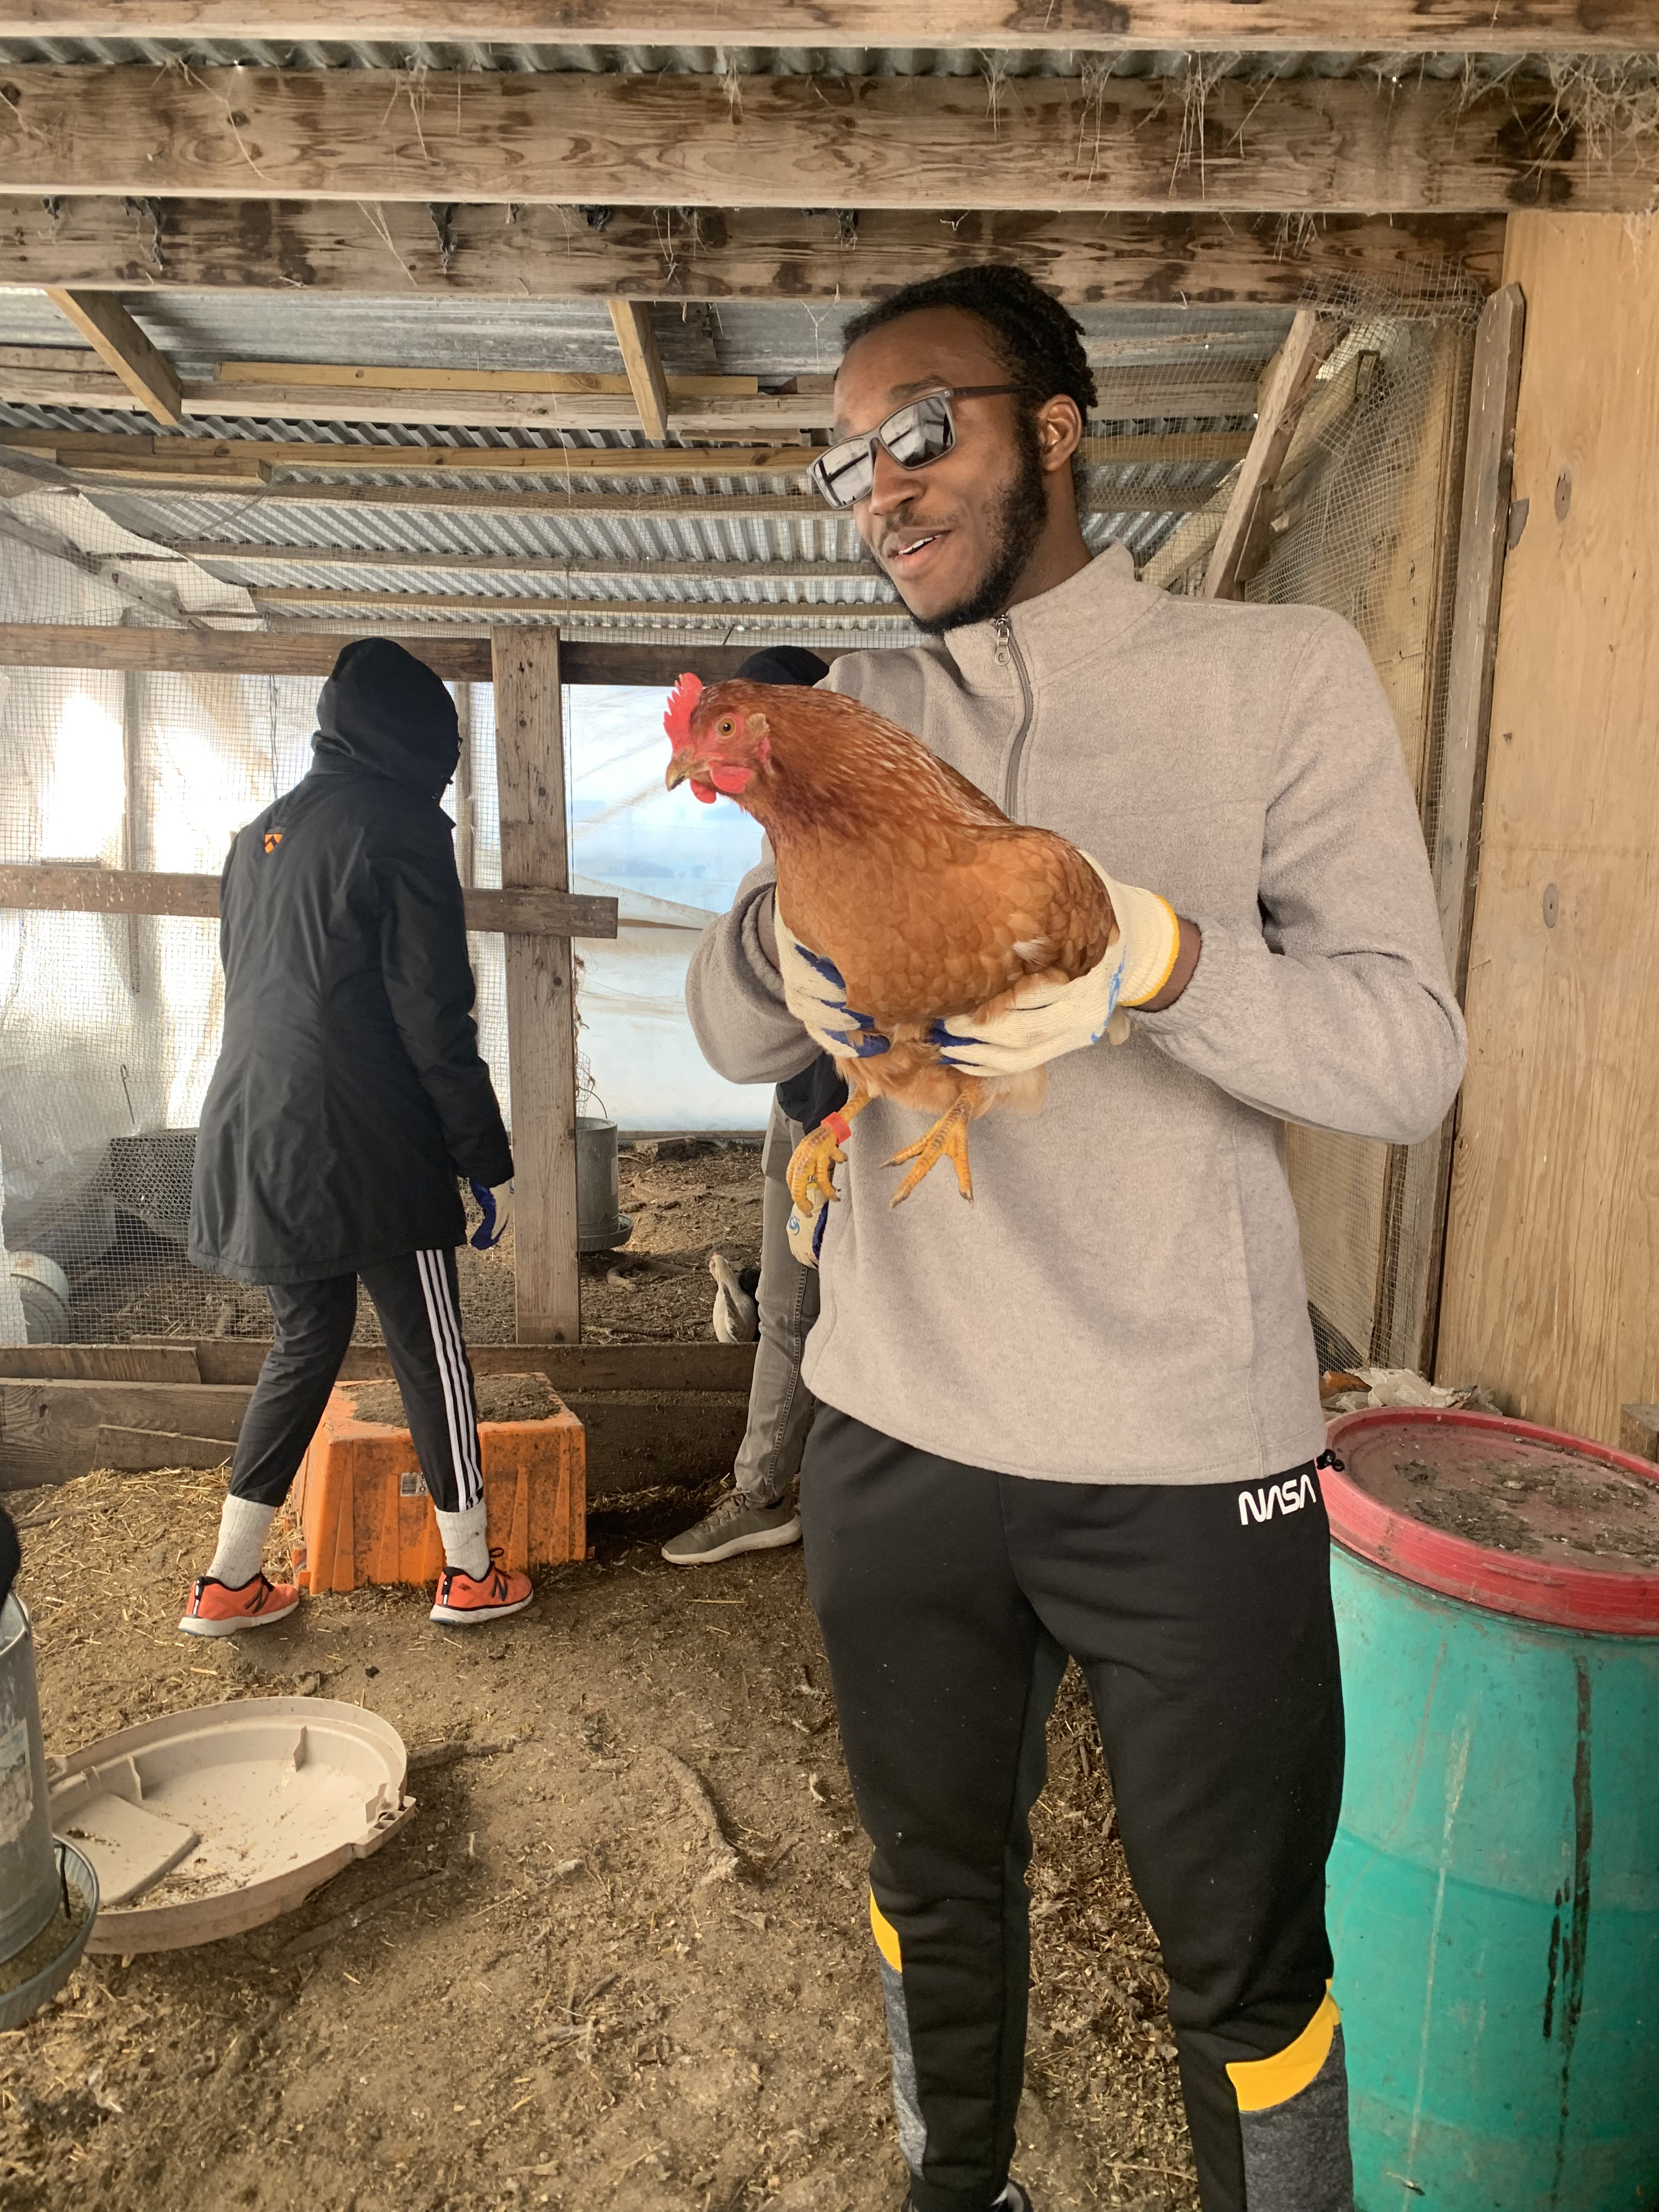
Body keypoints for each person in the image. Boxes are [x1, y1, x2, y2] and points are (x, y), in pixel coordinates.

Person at [685, 266, 1466, 2212]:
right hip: (895, 1432)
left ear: (1055, 424)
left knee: (1244, 1964)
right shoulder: (846, 708)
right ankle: (956, 2191)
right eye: (842, 457)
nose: (879, 482)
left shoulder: (1274, 675)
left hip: (1190, 1462)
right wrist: (796, 938)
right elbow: (719, 1030)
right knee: (929, 1893)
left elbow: (1406, 1060)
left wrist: (1159, 957)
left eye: (920, 426)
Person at [183, 637, 530, 1636]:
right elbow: (433, 1014)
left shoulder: (255, 837)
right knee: (431, 1348)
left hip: (252, 1129)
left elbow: (264, 992)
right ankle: (470, 1572)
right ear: (415, 740)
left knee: (308, 1338)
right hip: (370, 1143)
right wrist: (480, 1157)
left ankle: (229, 1580)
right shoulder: (401, 828)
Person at [662, 647, 847, 1568]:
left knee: (798, 1308)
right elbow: (737, 1033)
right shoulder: (785, 844)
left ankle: (763, 1491)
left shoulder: (839, 841)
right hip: (803, 1107)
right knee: (790, 1303)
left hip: (849, 1119)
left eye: (726, 733)